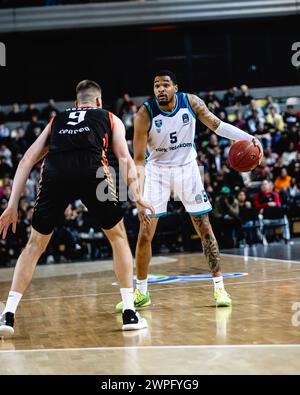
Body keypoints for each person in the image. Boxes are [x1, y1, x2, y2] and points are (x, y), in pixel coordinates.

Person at [0, 80, 154, 337]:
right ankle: (129, 312)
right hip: (92, 171)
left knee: (34, 245)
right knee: (118, 238)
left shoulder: (56, 119)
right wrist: (136, 196)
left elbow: (27, 159)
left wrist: (12, 204)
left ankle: (8, 315)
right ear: (98, 102)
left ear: (75, 104)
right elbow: (124, 158)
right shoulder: (110, 117)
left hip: (55, 172)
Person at [115, 70, 263, 312]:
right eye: (156, 86)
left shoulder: (191, 102)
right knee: (145, 232)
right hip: (157, 172)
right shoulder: (144, 114)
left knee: (204, 227)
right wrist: (138, 197)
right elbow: (138, 159)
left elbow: (217, 126)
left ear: (175, 88)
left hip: (187, 169)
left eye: (165, 85)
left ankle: (219, 287)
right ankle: (141, 293)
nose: (160, 89)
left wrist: (250, 137)